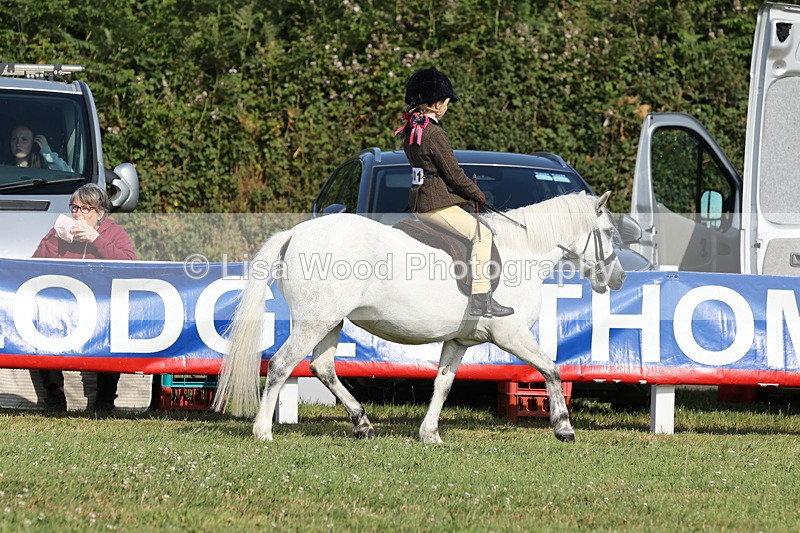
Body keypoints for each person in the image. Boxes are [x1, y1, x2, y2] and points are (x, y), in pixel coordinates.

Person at [394, 67, 514, 318]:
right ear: (436, 104)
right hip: (435, 203)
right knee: (482, 234)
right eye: (446, 103)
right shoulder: (434, 132)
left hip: (419, 200)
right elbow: (453, 174)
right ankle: (481, 298)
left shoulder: (411, 130)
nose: (447, 108)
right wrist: (477, 194)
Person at [32, 183, 136, 412]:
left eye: (84, 208)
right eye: (74, 207)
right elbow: (35, 266)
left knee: (116, 328)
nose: (77, 213)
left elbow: (130, 265)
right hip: (64, 306)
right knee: (43, 323)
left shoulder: (114, 233)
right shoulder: (58, 233)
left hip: (102, 307)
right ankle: (54, 394)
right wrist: (54, 239)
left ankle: (105, 400)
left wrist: (95, 239)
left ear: (99, 213)